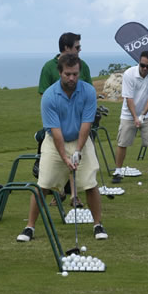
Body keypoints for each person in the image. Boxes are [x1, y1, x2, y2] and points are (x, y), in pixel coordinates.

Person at [17, 53, 108, 242]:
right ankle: (29, 227)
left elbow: (86, 124)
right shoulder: (49, 96)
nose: (72, 78)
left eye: (75, 74)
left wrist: (78, 151)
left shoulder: (89, 91)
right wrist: (65, 157)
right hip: (54, 141)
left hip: (80, 139)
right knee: (44, 183)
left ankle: (97, 224)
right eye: (68, 74)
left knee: (90, 182)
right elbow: (56, 131)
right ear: (60, 72)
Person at [37, 32, 93, 207]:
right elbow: (45, 94)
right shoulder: (48, 67)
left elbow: (87, 91)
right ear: (66, 48)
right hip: (55, 124)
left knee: (77, 160)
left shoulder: (83, 66)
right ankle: (59, 192)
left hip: (78, 125)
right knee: (55, 164)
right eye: (77, 47)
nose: (80, 49)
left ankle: (74, 195)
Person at [112, 50, 148, 184]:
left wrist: (142, 115)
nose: (145, 69)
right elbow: (128, 98)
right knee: (122, 143)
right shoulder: (129, 74)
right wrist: (135, 117)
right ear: (139, 63)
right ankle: (117, 171)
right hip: (128, 114)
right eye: (143, 65)